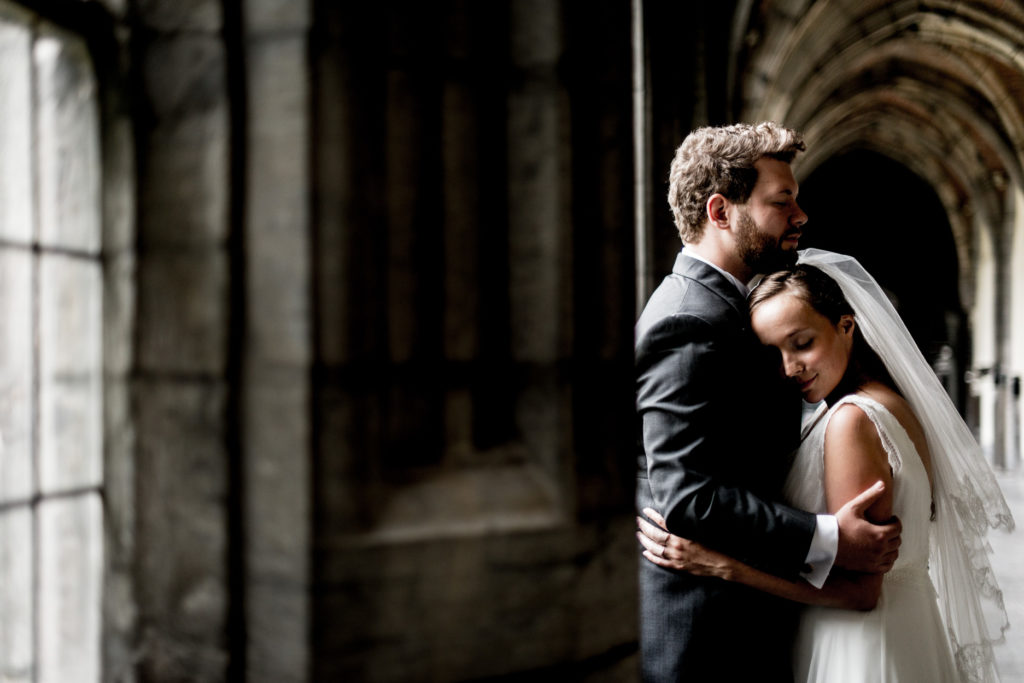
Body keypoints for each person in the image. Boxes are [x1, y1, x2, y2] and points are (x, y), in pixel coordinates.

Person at [638, 251, 1014, 682]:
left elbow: (860, 592)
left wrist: (725, 567)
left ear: (846, 325)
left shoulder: (851, 420)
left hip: (860, 643)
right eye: (773, 353)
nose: (789, 367)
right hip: (903, 629)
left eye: (802, 343)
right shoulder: (887, 401)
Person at [635, 123, 902, 682]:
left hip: (747, 615)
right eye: (782, 201)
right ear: (720, 211)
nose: (801, 216)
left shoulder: (724, 308)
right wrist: (829, 539)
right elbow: (687, 495)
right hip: (708, 636)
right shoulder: (689, 318)